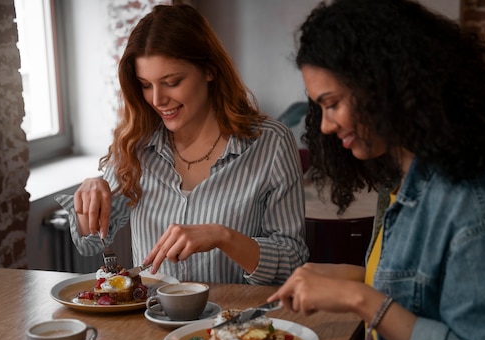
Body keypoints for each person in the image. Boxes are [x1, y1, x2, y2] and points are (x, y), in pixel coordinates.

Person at [267, 0, 485, 340]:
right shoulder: (400, 180)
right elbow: (424, 288)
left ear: (381, 86)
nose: (327, 126)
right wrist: (344, 277)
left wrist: (360, 299)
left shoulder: (472, 203)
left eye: (331, 104)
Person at [56, 4, 308, 285]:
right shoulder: (135, 144)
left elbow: (292, 262)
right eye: (146, 85)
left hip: (235, 324)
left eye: (172, 82)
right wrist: (90, 191)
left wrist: (222, 237)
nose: (157, 99)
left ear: (210, 70)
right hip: (152, 323)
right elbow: (90, 243)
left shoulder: (271, 144)